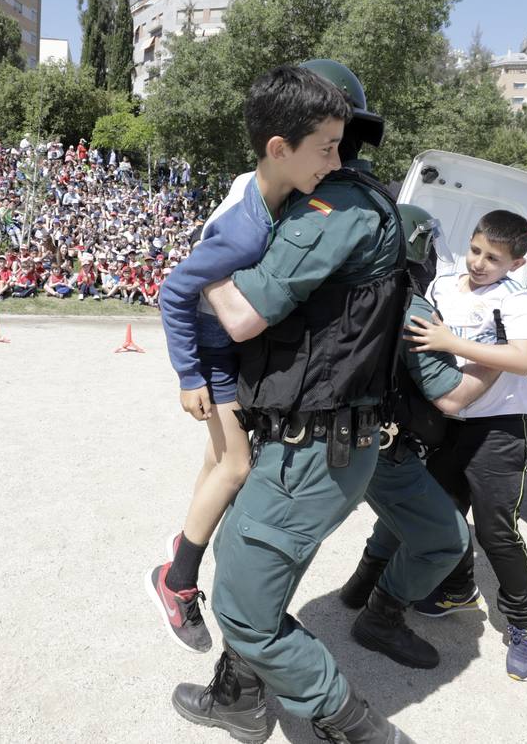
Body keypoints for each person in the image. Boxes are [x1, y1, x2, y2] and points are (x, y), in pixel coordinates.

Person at [170, 60, 415, 743]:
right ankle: (239, 697)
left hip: (313, 449)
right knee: (251, 573)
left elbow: (244, 315)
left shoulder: (337, 206)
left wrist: (202, 259)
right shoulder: (359, 200)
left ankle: (362, 731)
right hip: (315, 439)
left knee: (243, 608)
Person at [147, 65, 349, 655]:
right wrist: (189, 376)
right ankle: (177, 580)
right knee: (236, 467)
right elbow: (175, 290)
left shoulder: (267, 189)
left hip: (226, 351)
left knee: (218, 460)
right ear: (279, 149)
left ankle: (183, 540)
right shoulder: (245, 232)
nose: (335, 164)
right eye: (327, 150)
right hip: (213, 354)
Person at [334, 204, 502, 671]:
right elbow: (451, 398)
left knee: (407, 513)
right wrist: (495, 361)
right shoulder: (411, 304)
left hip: (345, 439)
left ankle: (361, 585)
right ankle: (380, 617)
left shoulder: (347, 290)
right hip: (384, 447)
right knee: (447, 540)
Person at [400, 209, 527, 681]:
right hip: (453, 427)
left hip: (500, 430)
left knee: (496, 532)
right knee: (444, 519)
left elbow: (523, 359)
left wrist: (452, 342)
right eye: (476, 250)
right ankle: (458, 589)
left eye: (494, 258)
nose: (480, 263)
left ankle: (525, 625)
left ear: (517, 263)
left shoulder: (515, 300)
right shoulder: (443, 285)